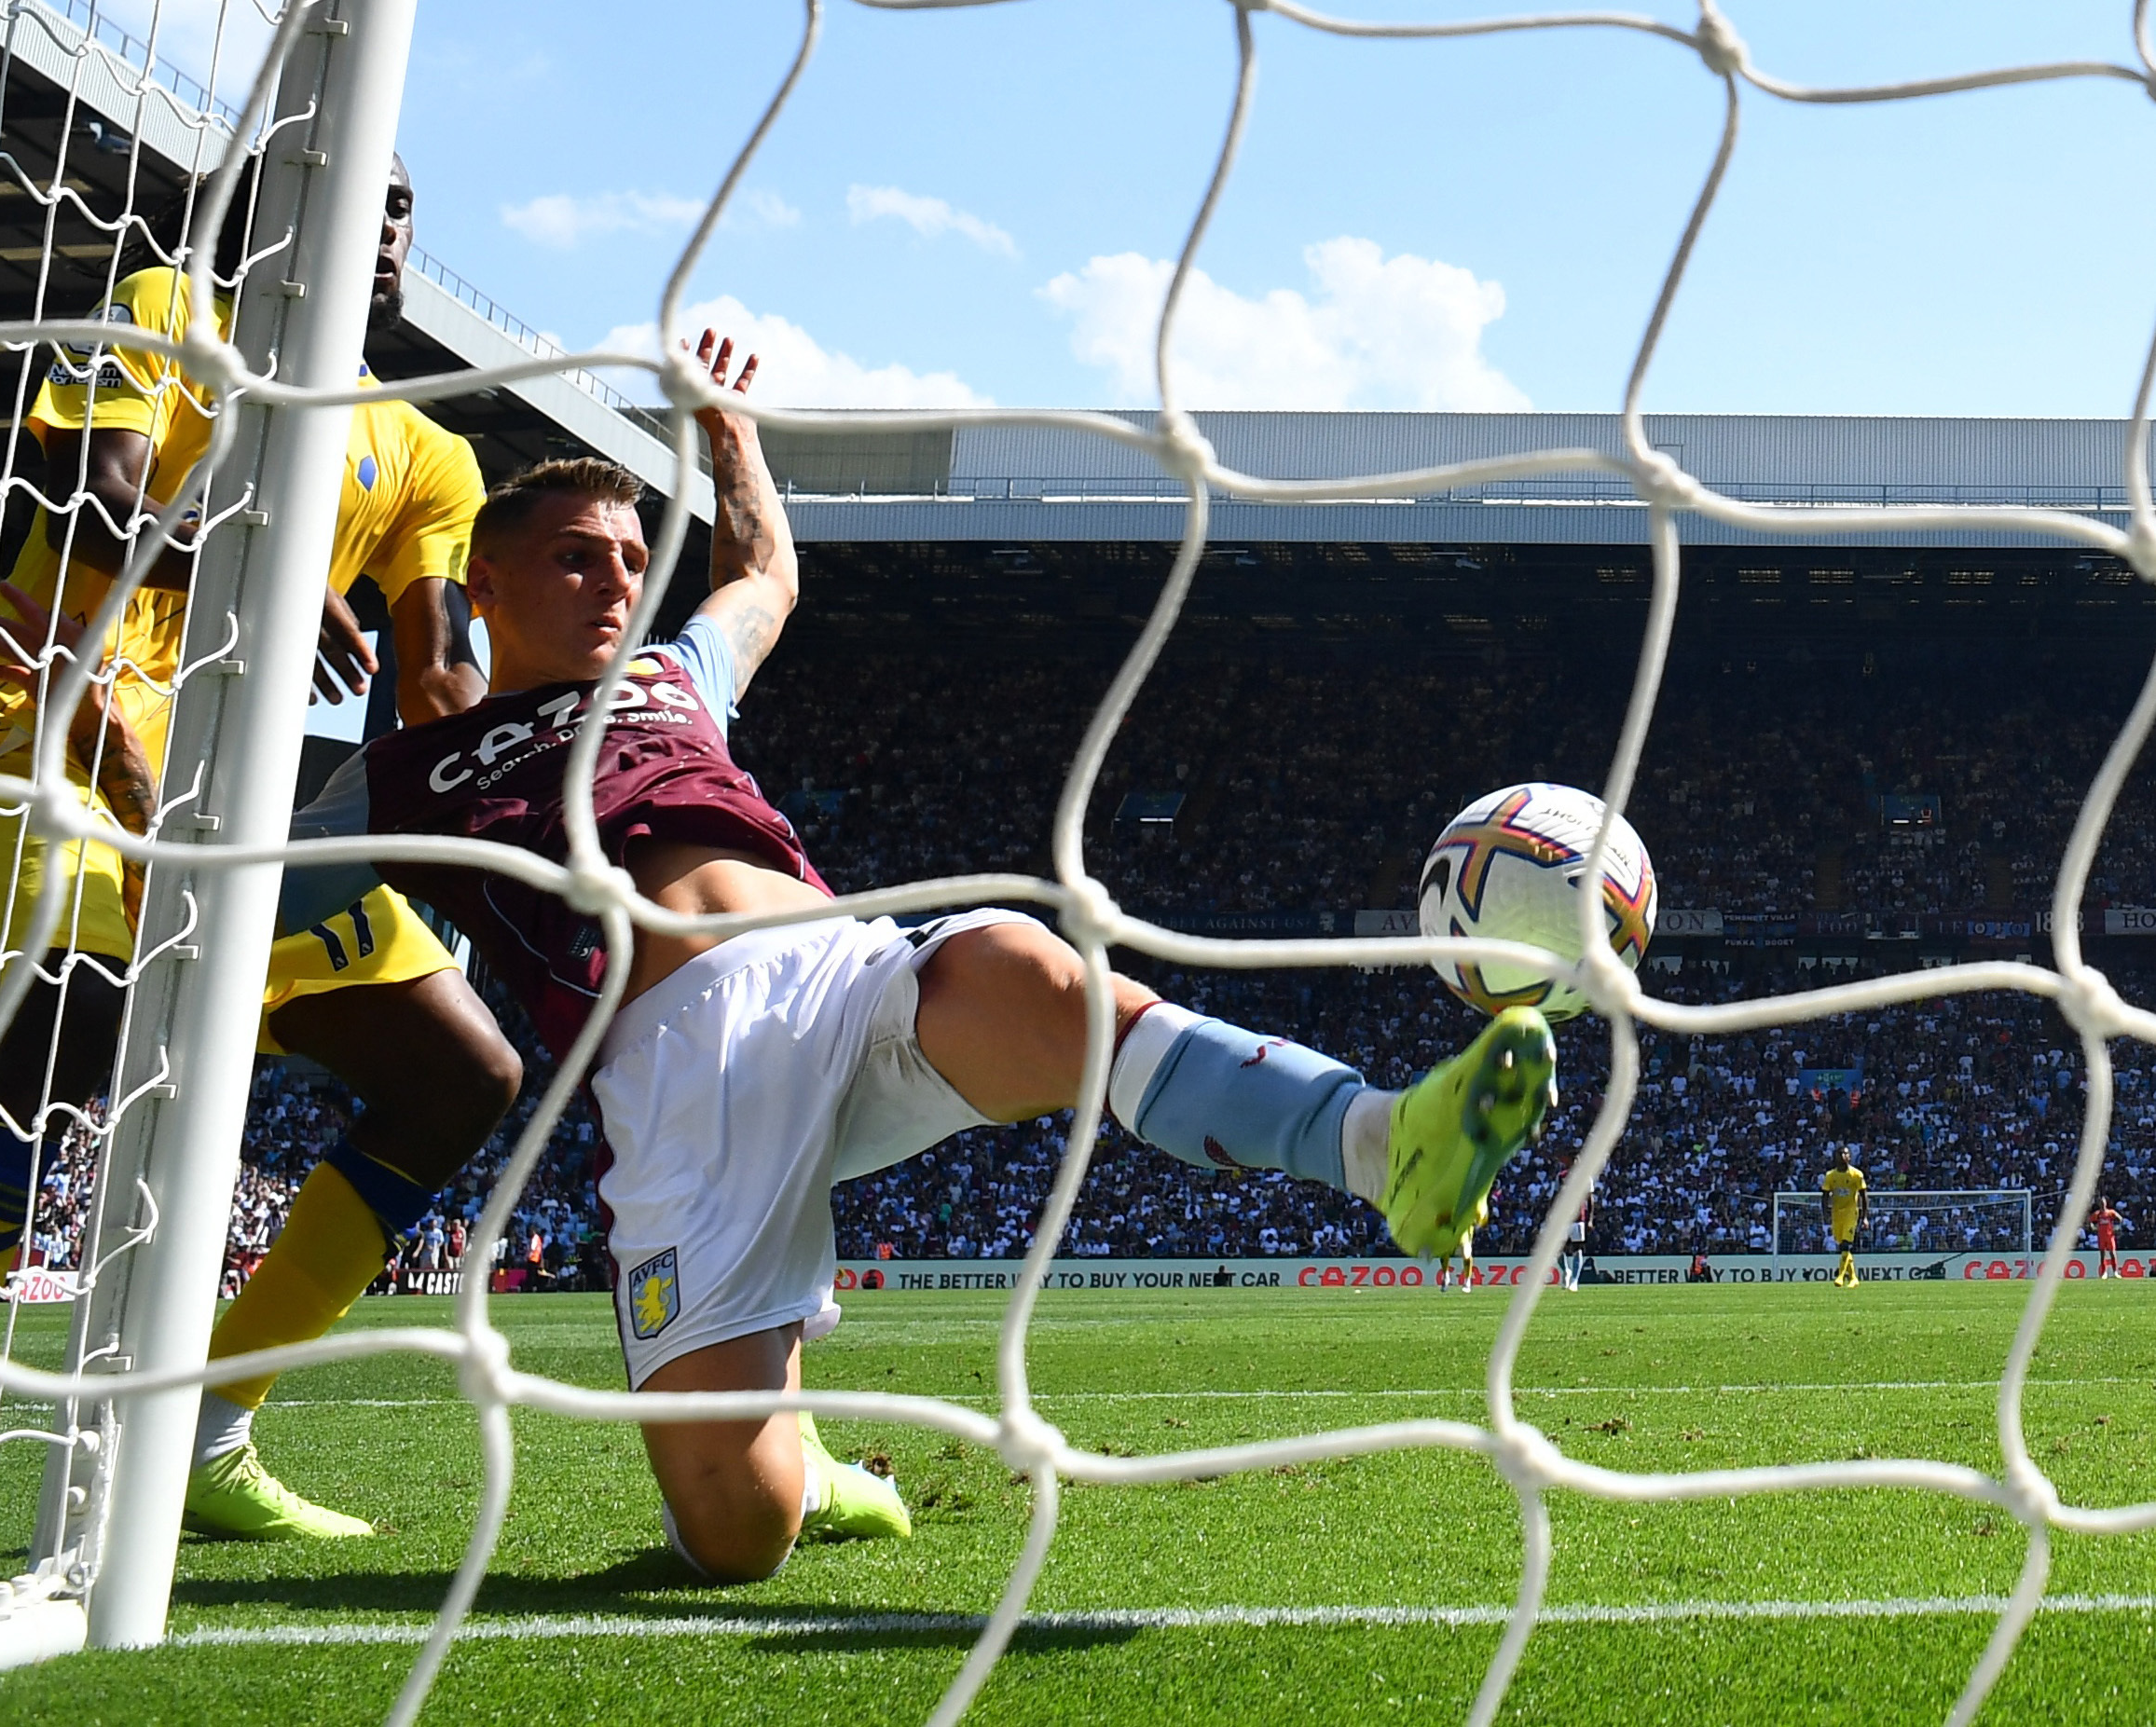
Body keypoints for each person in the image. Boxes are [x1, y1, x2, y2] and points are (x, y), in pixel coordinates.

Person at [278, 331, 1560, 1582]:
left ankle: (1384, 1143)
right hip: (680, 1076)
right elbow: (254, 877)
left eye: (626, 555)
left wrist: (729, 435)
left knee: (1050, 977)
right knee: (738, 1538)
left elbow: (764, 575)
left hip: (848, 976)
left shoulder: (672, 679)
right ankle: (789, 1451)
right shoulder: (410, 777)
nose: (616, 582)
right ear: (482, 585)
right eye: (574, 561)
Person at [0, 158, 523, 1614]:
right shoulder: (169, 313)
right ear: (255, 217)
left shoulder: (429, 455)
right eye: (344, 195)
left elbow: (433, 673)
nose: (377, 229)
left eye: (399, 208)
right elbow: (104, 494)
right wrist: (261, 558)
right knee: (61, 1035)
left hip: (233, 784)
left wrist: (541, 748)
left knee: (461, 1070)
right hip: (35, 709)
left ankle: (209, 1429)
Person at [1822, 1146, 1867, 1289]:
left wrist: (1864, 1217)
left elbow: (1864, 1197)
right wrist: (1825, 1214)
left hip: (1851, 1213)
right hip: (1836, 1214)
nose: (1843, 1156)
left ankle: (1840, 1276)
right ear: (1835, 1157)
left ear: (1850, 1157)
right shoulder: (1830, 1176)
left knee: (1846, 1245)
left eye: (1845, 1153)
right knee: (1842, 1247)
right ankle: (1853, 1278)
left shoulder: (1856, 1174)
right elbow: (1824, 1197)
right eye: (1840, 1153)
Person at [2091, 1196, 2125, 1279]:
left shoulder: (2110, 1212)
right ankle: (2104, 1273)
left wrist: (2117, 1228)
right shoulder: (2097, 1214)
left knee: (2113, 1254)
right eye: (2101, 1203)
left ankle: (2115, 1272)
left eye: (2104, 1202)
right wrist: (2093, 1228)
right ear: (2099, 1204)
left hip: (2110, 1236)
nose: (2102, 1204)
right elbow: (2090, 1221)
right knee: (2103, 1255)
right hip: (2101, 1237)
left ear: (2106, 1203)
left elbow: (2120, 1218)